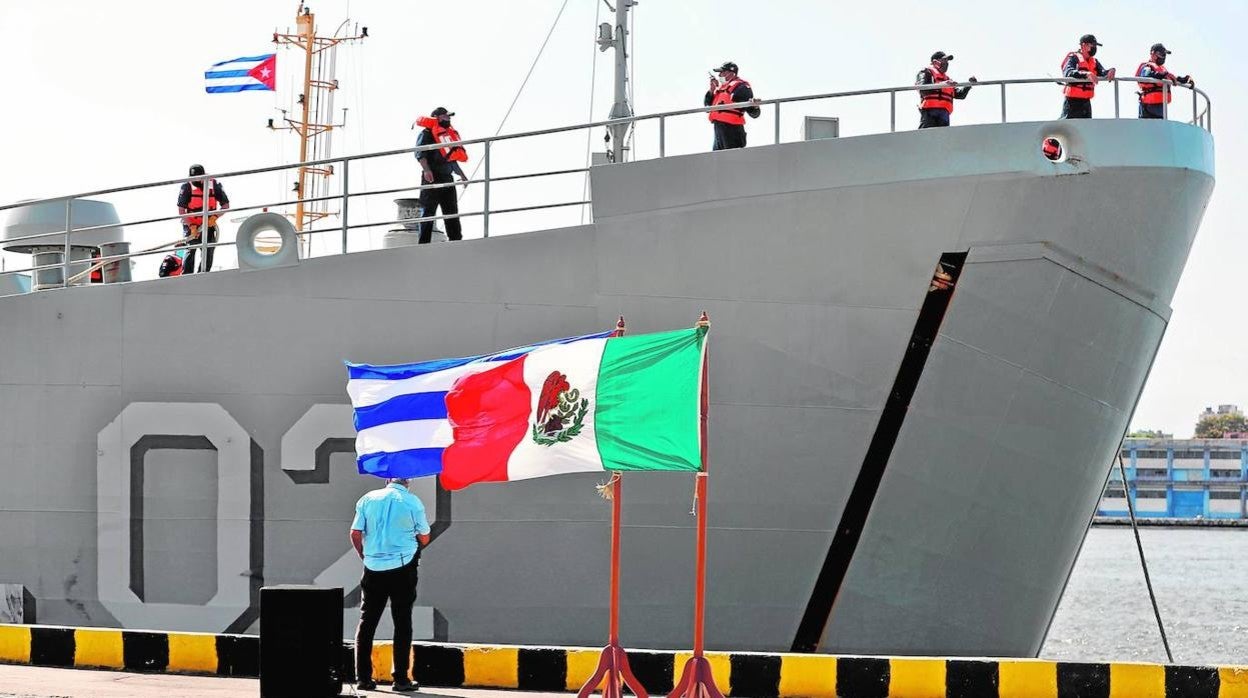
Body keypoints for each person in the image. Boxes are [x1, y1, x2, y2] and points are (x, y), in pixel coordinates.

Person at [350, 476, 431, 692]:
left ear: (387, 479)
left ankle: (364, 678)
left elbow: (355, 533)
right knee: (402, 621)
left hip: (373, 567)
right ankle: (401, 679)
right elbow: (425, 537)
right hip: (403, 567)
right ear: (408, 482)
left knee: (367, 622)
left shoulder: (367, 499)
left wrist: (364, 555)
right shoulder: (413, 502)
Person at [415, 107, 468, 244]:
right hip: (432, 177)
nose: (448, 118)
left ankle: (456, 241)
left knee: (451, 212)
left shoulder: (446, 136)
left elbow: (452, 159)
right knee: (428, 212)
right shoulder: (426, 134)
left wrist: (462, 176)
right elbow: (420, 154)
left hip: (447, 177)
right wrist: (427, 170)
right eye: (445, 116)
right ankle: (423, 244)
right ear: (436, 117)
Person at [176, 164, 229, 273]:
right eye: (193, 177)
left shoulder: (214, 185)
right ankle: (187, 276)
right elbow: (181, 211)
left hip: (208, 225)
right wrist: (192, 226)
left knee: (209, 250)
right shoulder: (186, 187)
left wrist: (215, 217)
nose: (195, 180)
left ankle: (203, 274)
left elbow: (225, 205)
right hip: (191, 225)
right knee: (191, 249)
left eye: (198, 177)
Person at [705, 61, 761, 150]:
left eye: (722, 72)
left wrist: (755, 106)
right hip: (718, 130)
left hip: (732, 129)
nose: (719, 75)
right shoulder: (719, 89)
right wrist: (712, 90)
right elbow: (707, 107)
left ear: (731, 73)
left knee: (733, 159)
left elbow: (753, 112)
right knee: (717, 160)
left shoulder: (740, 86)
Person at [1060, 34, 1116, 119]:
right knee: (1068, 128)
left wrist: (1111, 71)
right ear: (1083, 45)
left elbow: (1102, 72)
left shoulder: (1094, 61)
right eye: (1092, 45)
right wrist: (1086, 74)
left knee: (1086, 129)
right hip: (1072, 102)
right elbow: (1068, 72)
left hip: (1086, 102)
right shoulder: (1073, 58)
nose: (1094, 48)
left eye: (1095, 46)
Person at [916, 51, 977, 128]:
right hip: (930, 112)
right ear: (935, 61)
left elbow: (960, 95)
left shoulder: (947, 79)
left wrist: (969, 85)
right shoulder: (926, 72)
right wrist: (942, 85)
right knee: (926, 137)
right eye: (944, 60)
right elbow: (922, 89)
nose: (947, 62)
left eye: (947, 61)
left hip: (944, 114)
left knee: (943, 138)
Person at [1135, 43, 1195, 120]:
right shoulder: (1147, 66)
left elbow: (1171, 78)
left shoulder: (1162, 70)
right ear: (1152, 54)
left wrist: (1185, 80)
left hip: (1160, 107)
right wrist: (1163, 75)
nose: (1163, 57)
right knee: (1150, 129)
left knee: (1160, 128)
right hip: (1148, 107)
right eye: (1160, 54)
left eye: (1164, 54)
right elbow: (1146, 76)